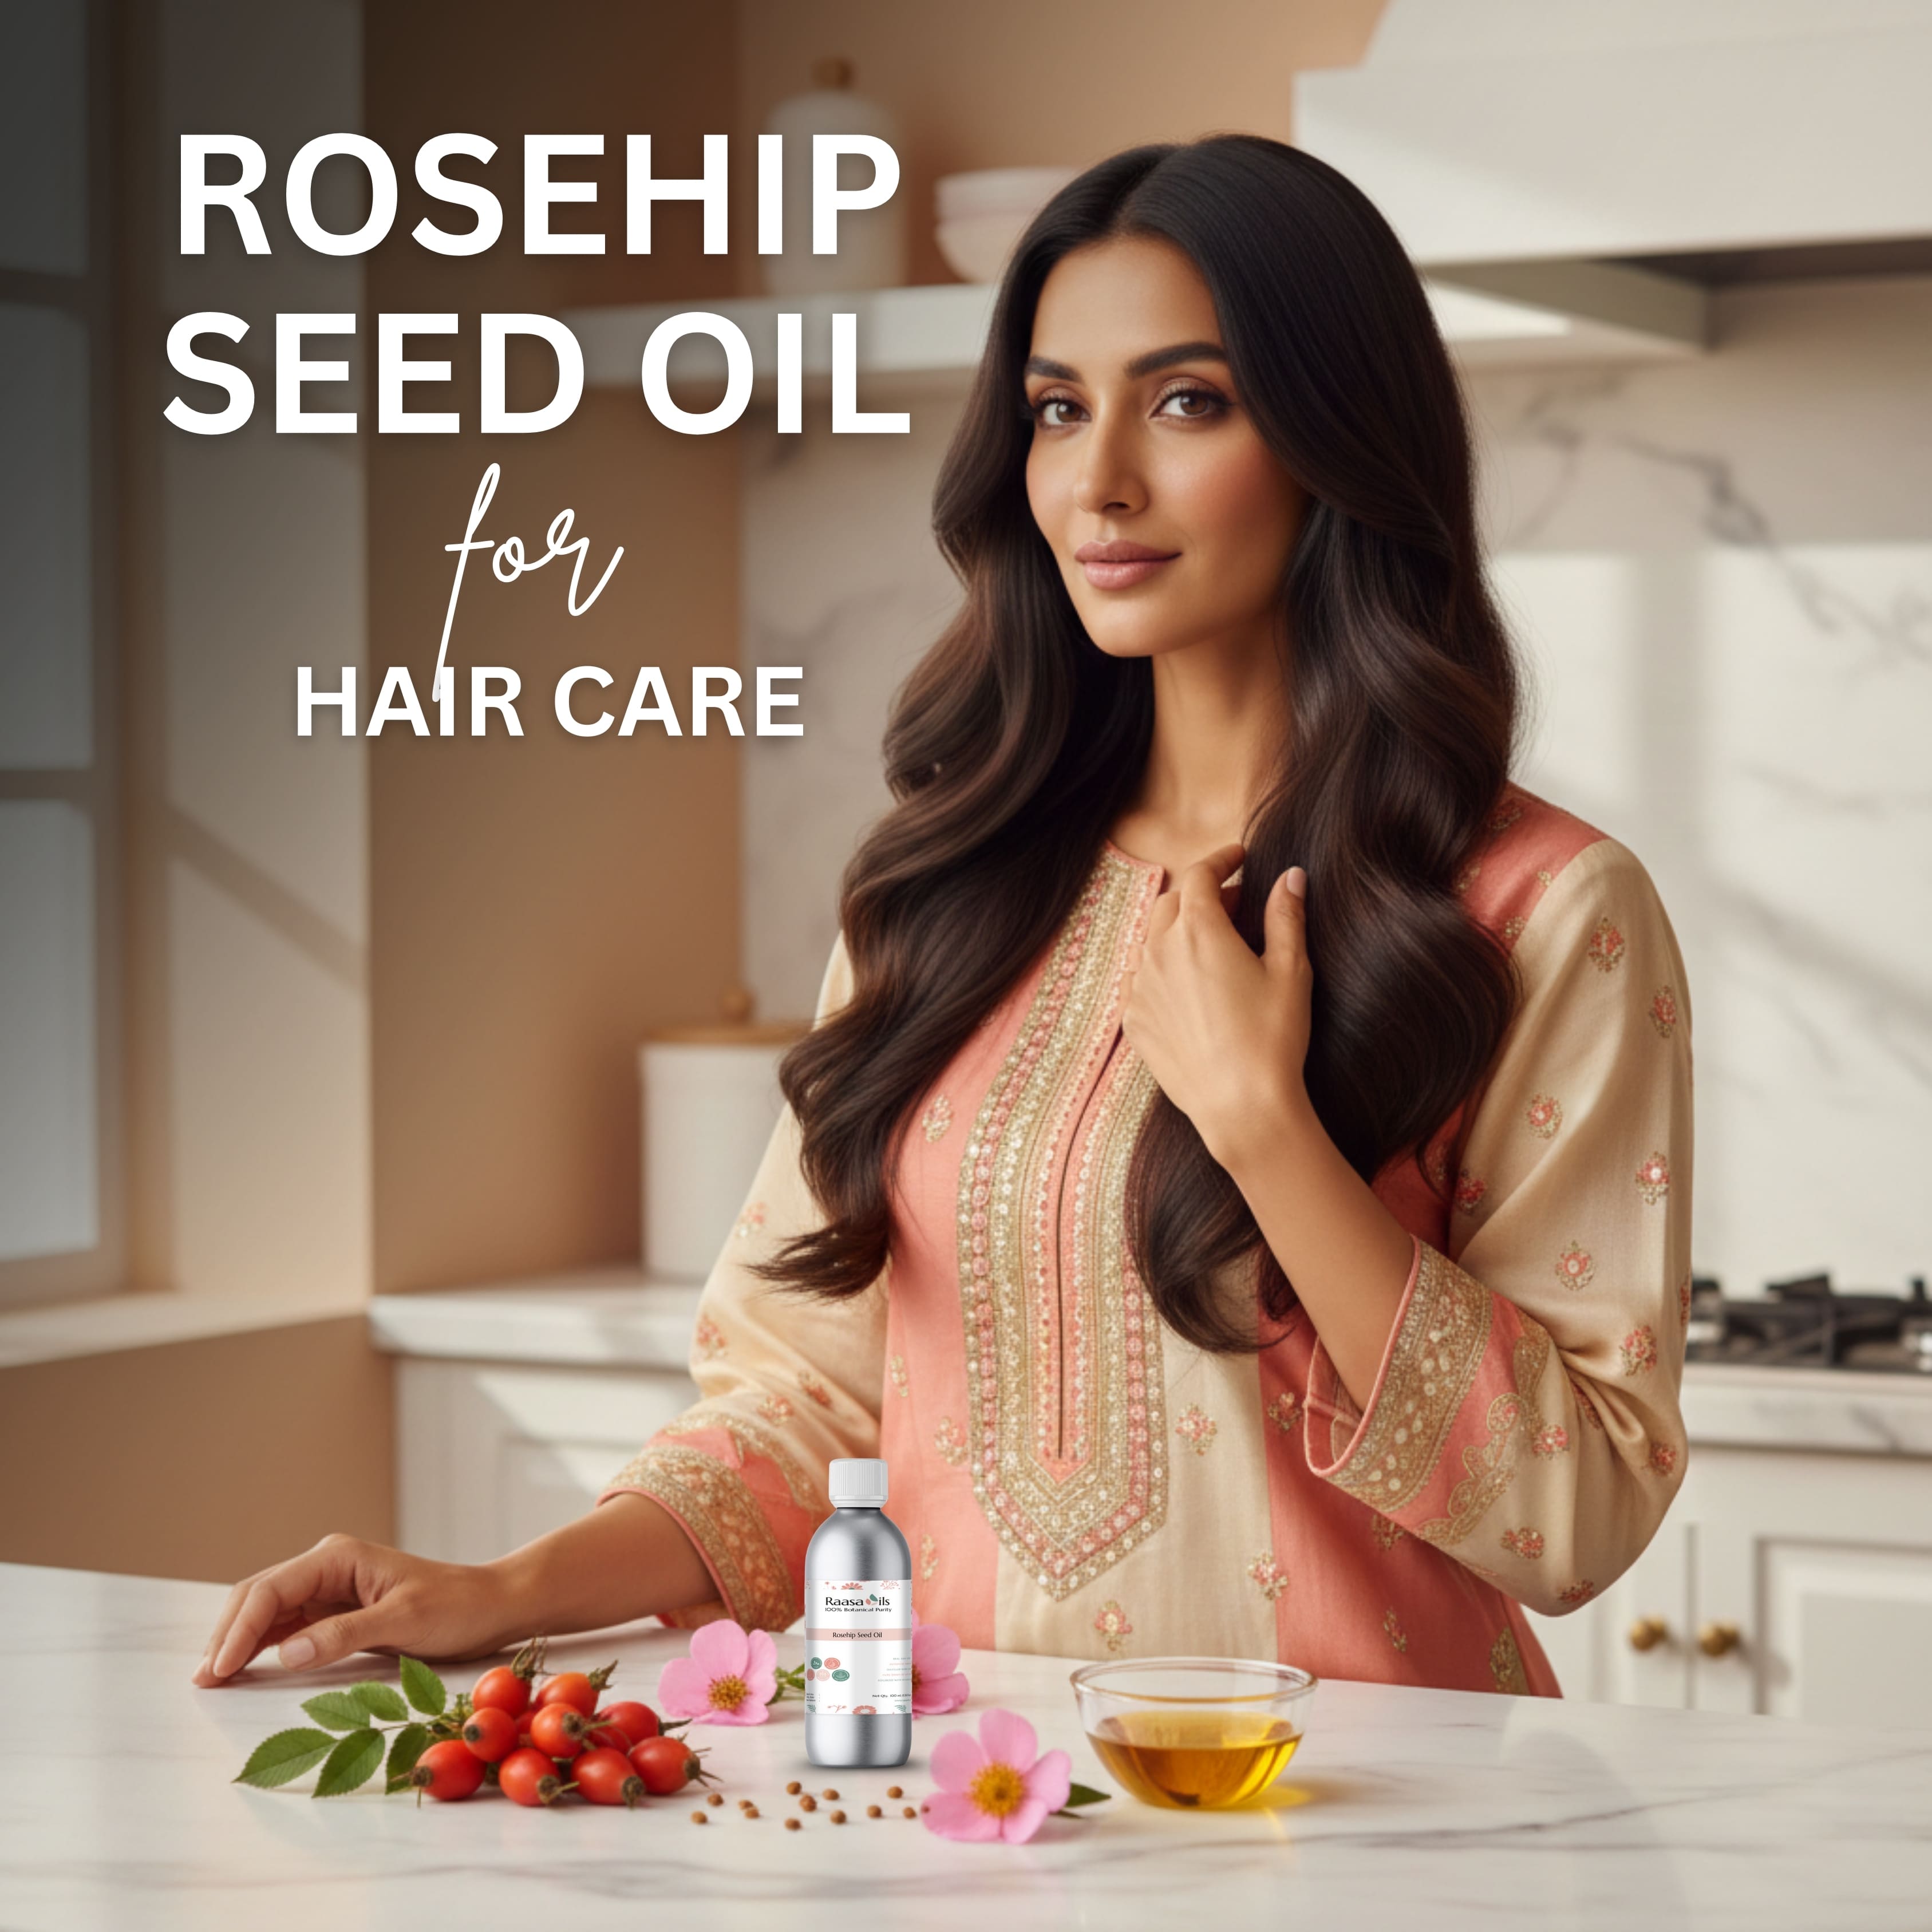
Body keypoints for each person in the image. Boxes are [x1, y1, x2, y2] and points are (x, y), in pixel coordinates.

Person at [195, 134, 1693, 1698]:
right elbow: (807, 1409)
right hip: (971, 1811)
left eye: (1187, 401)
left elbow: (1577, 1509)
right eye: (1058, 409)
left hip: (1368, 1833)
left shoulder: (1539, 910)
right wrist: (504, 1590)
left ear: (1337, 435)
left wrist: (1264, 1129)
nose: (1097, 478)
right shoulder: (948, 888)